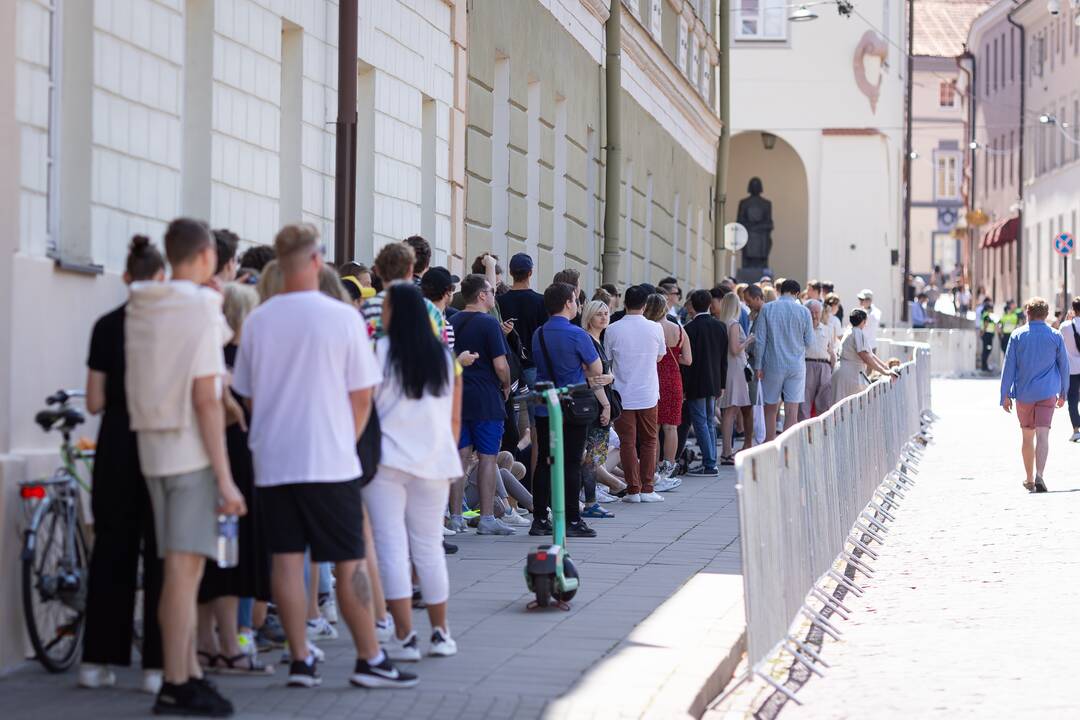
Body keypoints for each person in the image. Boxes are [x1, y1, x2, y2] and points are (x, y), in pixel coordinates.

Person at [231, 223, 417, 690]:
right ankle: (369, 657)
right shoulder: (342, 319)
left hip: (273, 459)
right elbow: (361, 396)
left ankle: (300, 660)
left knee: (287, 560)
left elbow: (248, 398)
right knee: (349, 559)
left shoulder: (258, 320)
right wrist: (345, 441)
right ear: (316, 260)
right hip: (329, 458)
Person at [125, 218, 245, 716]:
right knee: (182, 575)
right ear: (204, 256)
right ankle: (177, 680)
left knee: (179, 574)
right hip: (192, 454)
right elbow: (205, 396)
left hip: (153, 449)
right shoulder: (198, 306)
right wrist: (225, 478)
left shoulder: (143, 301)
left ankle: (186, 672)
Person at [80, 236, 166, 695]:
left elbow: (93, 400)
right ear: (161, 277)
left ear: (125, 277)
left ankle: (95, 661)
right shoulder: (168, 327)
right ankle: (155, 667)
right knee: (158, 556)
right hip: (159, 446)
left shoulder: (106, 325)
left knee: (111, 552)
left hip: (114, 445)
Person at [367, 283, 462, 661]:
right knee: (429, 549)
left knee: (391, 548)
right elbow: (455, 417)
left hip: (386, 460)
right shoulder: (443, 356)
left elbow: (364, 408)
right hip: (434, 461)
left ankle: (405, 637)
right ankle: (441, 633)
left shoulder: (378, 352)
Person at [195, 283, 272, 676]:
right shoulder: (243, 360)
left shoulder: (212, 355)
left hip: (209, 463)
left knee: (213, 556)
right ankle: (229, 644)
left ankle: (207, 642)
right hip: (238, 467)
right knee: (230, 558)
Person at [529, 283, 605, 537]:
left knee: (545, 462)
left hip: (544, 406)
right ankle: (572, 519)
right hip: (572, 406)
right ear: (567, 303)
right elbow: (597, 370)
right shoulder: (577, 334)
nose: (577, 304)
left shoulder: (538, 333)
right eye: (575, 300)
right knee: (572, 462)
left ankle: (539, 517)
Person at [448, 274, 515, 535]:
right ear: (482, 295)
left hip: (458, 396)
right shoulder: (489, 324)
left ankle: (455, 516)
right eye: (491, 291)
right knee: (488, 458)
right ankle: (487, 517)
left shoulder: (452, 320)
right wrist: (507, 384)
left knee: (460, 457)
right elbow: (501, 365)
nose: (494, 295)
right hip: (486, 398)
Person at [1000, 297, 1070, 493]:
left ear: (1027, 314)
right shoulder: (1055, 336)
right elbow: (1064, 366)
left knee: (1027, 437)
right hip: (1048, 392)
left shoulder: (1017, 335)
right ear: (1046, 315)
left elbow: (1009, 368)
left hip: (1024, 394)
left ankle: (1029, 478)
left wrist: (1004, 395)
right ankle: (1040, 475)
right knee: (1043, 435)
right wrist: (1064, 392)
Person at [605, 286, 666, 501]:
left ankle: (633, 489)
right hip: (648, 391)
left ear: (624, 303)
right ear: (645, 305)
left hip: (622, 393)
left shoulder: (613, 329)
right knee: (650, 440)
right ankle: (648, 487)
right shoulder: (655, 328)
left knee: (627, 442)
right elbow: (660, 357)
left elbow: (607, 361)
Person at [754, 279, 814, 441]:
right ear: (796, 293)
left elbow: (760, 340)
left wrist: (758, 365)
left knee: (770, 407)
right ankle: (787, 449)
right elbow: (809, 342)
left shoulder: (767, 308)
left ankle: (769, 445)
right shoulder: (804, 312)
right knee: (791, 411)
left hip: (772, 363)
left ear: (781, 291)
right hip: (796, 365)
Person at [579, 300, 622, 516]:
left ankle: (590, 498)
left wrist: (610, 376)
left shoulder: (597, 339)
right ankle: (589, 502)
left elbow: (604, 374)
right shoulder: (588, 340)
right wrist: (606, 406)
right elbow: (592, 377)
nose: (604, 317)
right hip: (593, 405)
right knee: (592, 457)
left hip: (597, 403)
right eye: (599, 314)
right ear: (589, 317)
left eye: (606, 313)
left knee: (594, 456)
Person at [643, 294, 691, 487]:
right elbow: (688, 360)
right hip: (672, 380)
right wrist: (673, 358)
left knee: (652, 427)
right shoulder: (679, 329)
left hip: (652, 378)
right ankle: (669, 469)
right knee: (671, 426)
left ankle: (652, 470)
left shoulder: (648, 329)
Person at [681, 289, 728, 476]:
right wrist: (722, 384)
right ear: (710, 304)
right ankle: (711, 461)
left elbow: (686, 362)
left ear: (692, 305)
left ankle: (709, 463)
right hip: (714, 380)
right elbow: (723, 360)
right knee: (709, 421)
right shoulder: (720, 326)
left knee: (701, 422)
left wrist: (684, 386)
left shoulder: (689, 329)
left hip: (695, 381)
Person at [496, 253, 548, 389]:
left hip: (507, 364)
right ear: (530, 272)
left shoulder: (500, 301)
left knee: (512, 408)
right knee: (534, 407)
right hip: (532, 364)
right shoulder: (541, 301)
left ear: (510, 272)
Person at [716, 293, 753, 464]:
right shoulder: (734, 324)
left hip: (729, 368)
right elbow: (735, 349)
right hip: (735, 369)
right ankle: (726, 452)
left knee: (729, 411)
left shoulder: (723, 323)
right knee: (730, 411)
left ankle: (726, 450)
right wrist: (748, 341)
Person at [832, 309, 898, 400]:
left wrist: (886, 368)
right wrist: (885, 372)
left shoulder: (850, 331)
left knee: (840, 408)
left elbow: (870, 355)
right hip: (850, 374)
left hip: (842, 371)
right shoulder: (857, 332)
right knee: (851, 408)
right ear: (863, 321)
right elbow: (864, 355)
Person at [800, 299, 835, 421]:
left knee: (824, 402)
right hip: (807, 365)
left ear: (821, 313)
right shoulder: (802, 329)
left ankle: (823, 433)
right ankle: (804, 434)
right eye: (811, 312)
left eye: (817, 312)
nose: (814, 316)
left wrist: (832, 369)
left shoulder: (827, 329)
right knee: (804, 402)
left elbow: (831, 351)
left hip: (824, 367)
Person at [1062, 298, 1080, 442]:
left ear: (1073, 310)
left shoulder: (1065, 326)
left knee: (1073, 400)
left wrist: (1068, 319)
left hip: (1072, 369)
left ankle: (1076, 430)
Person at [980, 299, 997, 371]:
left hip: (988, 335)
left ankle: (984, 365)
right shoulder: (987, 315)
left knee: (987, 349)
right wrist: (983, 333)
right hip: (987, 335)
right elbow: (985, 325)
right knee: (987, 349)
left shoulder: (986, 315)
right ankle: (984, 366)